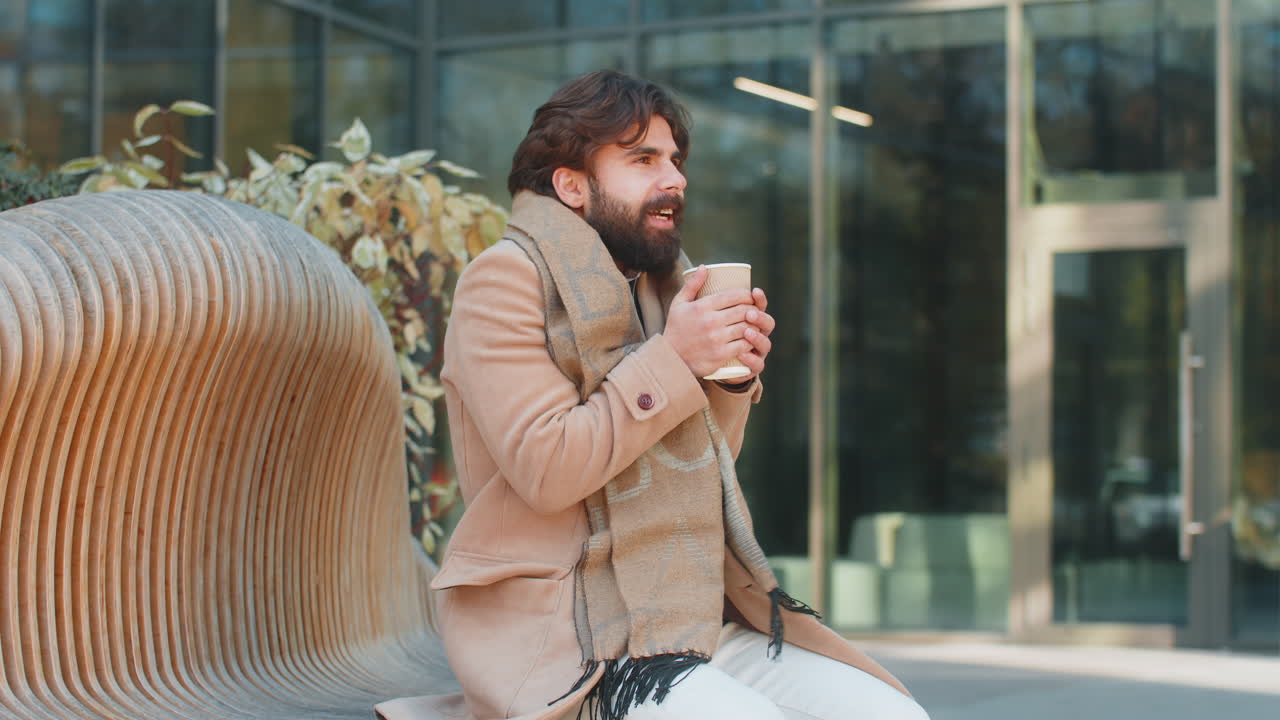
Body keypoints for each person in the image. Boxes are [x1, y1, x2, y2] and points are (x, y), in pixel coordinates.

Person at [376, 70, 929, 720]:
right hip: (577, 643)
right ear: (571, 185)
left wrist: (729, 378)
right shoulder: (502, 282)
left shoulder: (662, 289)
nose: (675, 179)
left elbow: (704, 461)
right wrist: (675, 358)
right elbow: (547, 469)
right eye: (643, 159)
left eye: (675, 160)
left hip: (691, 619)